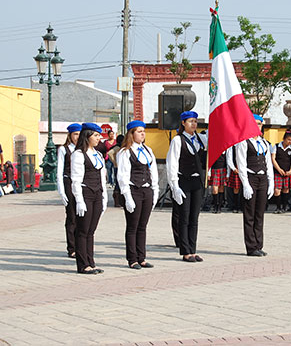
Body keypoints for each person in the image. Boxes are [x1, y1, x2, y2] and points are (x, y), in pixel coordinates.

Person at [166, 111, 207, 262]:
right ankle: (185, 251)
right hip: (183, 181)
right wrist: (174, 185)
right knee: (184, 216)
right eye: (190, 121)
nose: (194, 124)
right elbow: (172, 163)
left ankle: (193, 249)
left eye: (195, 121)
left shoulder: (200, 139)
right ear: (183, 123)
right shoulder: (178, 140)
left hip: (197, 182)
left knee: (194, 218)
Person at [117, 121, 159, 269]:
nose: (143, 134)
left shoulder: (147, 150)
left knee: (143, 226)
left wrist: (155, 190)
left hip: (147, 190)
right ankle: (132, 258)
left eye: (143, 131)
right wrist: (127, 196)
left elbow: (153, 172)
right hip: (133, 189)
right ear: (131, 134)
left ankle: (142, 257)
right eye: (139, 131)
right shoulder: (125, 152)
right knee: (132, 226)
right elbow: (123, 176)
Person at [71, 123, 108, 274]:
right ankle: (82, 264)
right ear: (87, 136)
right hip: (85, 193)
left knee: (91, 231)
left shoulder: (98, 154)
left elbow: (102, 177)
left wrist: (104, 196)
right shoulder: (78, 154)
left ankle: (91, 261)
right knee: (83, 230)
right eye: (96, 135)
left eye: (99, 135)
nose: (99, 138)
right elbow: (76, 179)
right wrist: (79, 200)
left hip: (97, 193)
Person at [237, 114, 274, 257]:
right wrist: (245, 184)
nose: (258, 126)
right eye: (255, 124)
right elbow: (241, 164)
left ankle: (259, 244)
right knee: (250, 214)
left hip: (263, 178)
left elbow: (268, 163)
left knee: (260, 213)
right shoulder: (244, 142)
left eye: (260, 124)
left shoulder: (263, 143)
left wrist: (271, 182)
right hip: (250, 176)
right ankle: (251, 247)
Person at [57, 123, 82, 258]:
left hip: (81, 184)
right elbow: (60, 171)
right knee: (72, 216)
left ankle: (81, 245)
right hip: (69, 182)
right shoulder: (64, 149)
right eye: (75, 134)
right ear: (70, 135)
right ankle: (72, 247)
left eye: (79, 134)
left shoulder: (83, 150)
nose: (77, 137)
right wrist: (61, 190)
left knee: (82, 217)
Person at [270, 131, 291, 214]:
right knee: (277, 190)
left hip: (287, 172)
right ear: (284, 139)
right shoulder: (276, 147)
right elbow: (273, 159)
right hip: (278, 172)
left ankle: (284, 207)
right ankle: (278, 207)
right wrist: (279, 169)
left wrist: (290, 171)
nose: (290, 142)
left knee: (286, 189)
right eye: (288, 140)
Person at [226, 146, 241, 213]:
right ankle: (235, 206)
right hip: (235, 169)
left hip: (244, 168)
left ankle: (243, 206)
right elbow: (229, 159)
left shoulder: (244, 144)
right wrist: (234, 168)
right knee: (236, 188)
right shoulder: (231, 147)